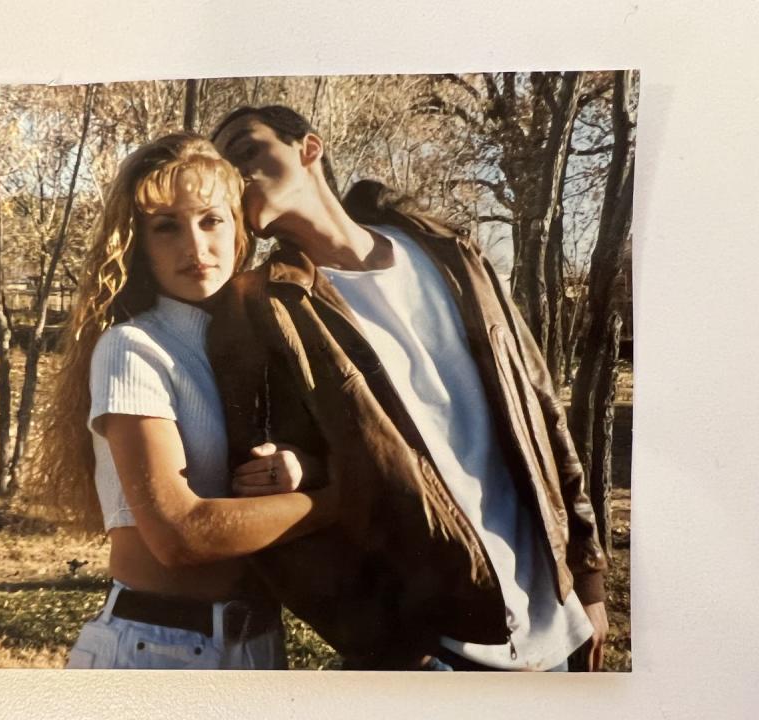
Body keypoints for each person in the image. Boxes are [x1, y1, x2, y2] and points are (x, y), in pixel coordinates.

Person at [207, 105, 609, 671]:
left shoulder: (454, 256)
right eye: (224, 165)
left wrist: (588, 580)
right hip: (440, 650)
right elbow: (272, 510)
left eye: (247, 148)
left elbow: (542, 412)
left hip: (558, 623)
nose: (236, 172)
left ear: (309, 148)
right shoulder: (265, 309)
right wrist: (386, 644)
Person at [30, 133, 336, 670]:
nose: (195, 248)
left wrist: (303, 468)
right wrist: (343, 500)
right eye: (166, 227)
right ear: (139, 245)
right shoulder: (133, 348)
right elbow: (179, 537)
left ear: (239, 228)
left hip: (260, 647)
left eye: (210, 220)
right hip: (159, 650)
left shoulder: (267, 341)